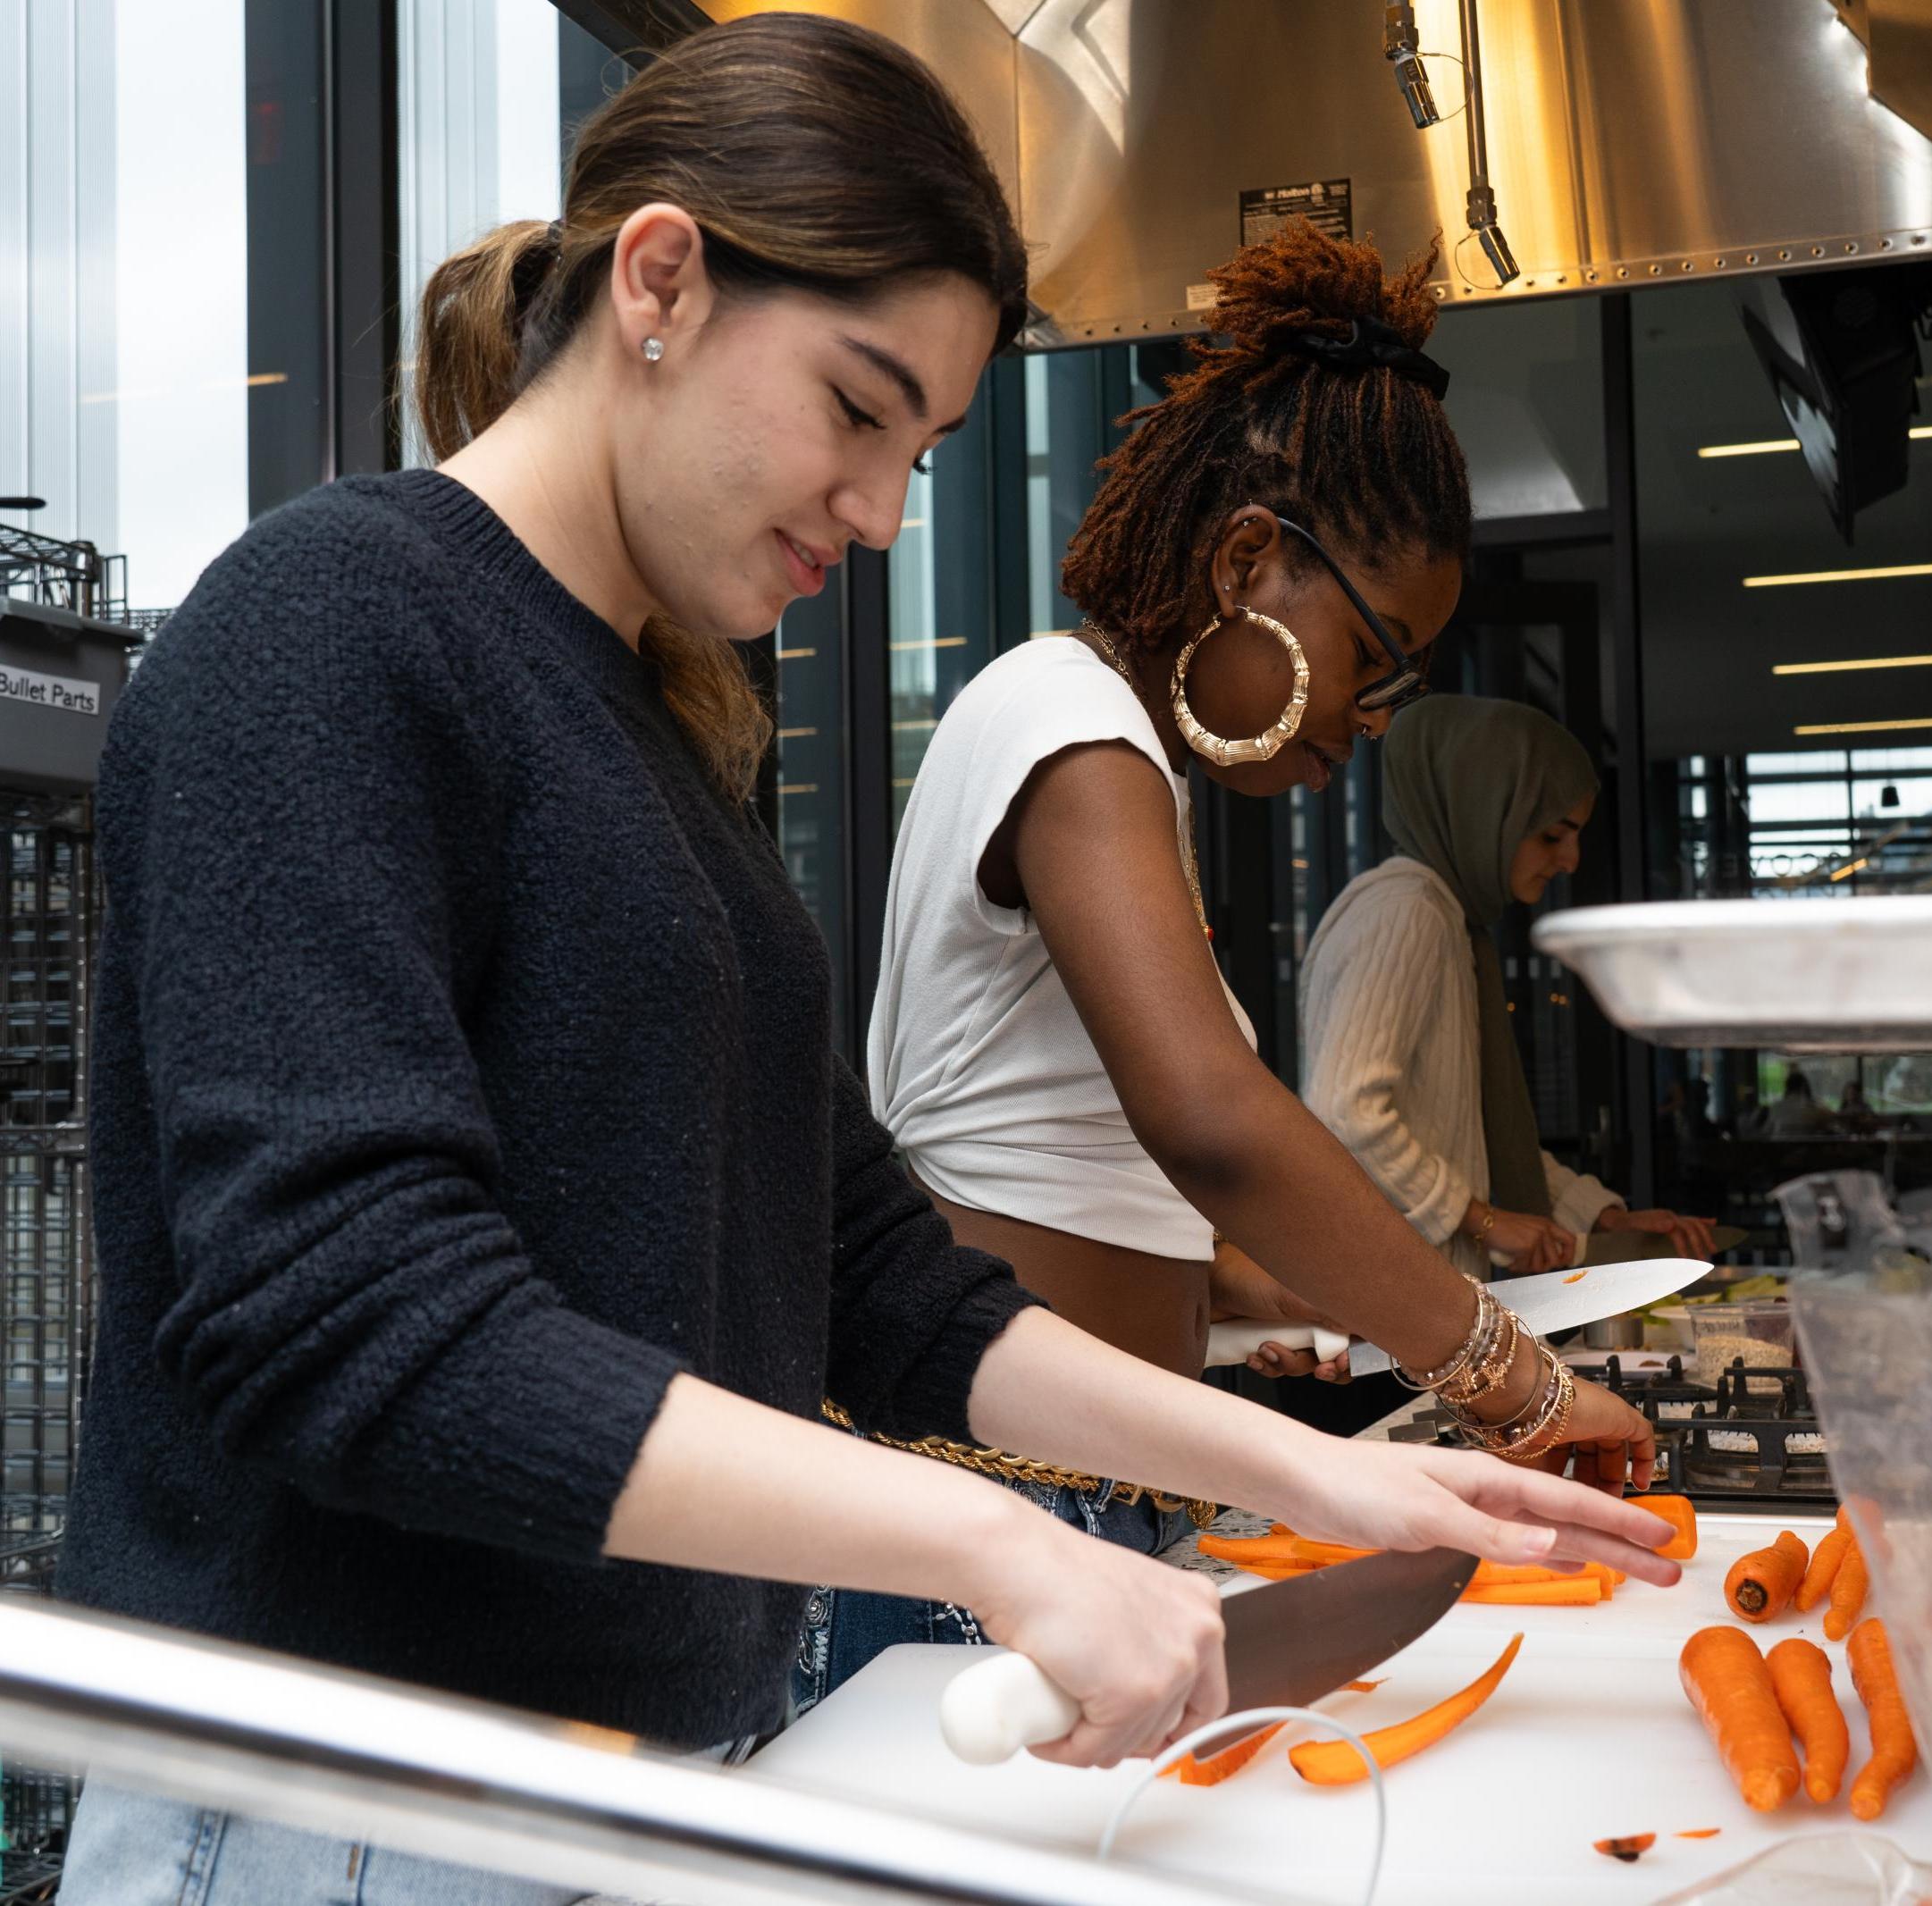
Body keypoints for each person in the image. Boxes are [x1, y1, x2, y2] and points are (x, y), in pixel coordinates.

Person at [53, 21, 1679, 1905]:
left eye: (922, 447)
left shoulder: (670, 735)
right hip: (355, 1806)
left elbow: (887, 1285)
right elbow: (350, 1327)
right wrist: (1004, 1547)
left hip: (649, 1777)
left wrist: (1324, 1481)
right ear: (659, 278)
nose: (886, 510)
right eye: (856, 405)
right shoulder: (327, 627)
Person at [807, 223, 1665, 1707]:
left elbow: (1078, 1168)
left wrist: (1248, 1302)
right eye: (1376, 651)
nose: (1383, 709)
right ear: (1250, 559)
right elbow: (1204, 1116)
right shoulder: (1064, 717)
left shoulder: (1114, 752)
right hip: (996, 1514)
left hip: (1081, 1494)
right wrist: (1504, 1380)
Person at [1300, 695, 1718, 1285]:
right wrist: (1480, 1218)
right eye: (1552, 835)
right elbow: (1344, 1112)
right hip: (1388, 1316)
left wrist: (1602, 1216)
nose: (1570, 860)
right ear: (1482, 810)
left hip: (1411, 1306)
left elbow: (1473, 1135)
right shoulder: (1408, 912)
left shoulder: (1446, 917)